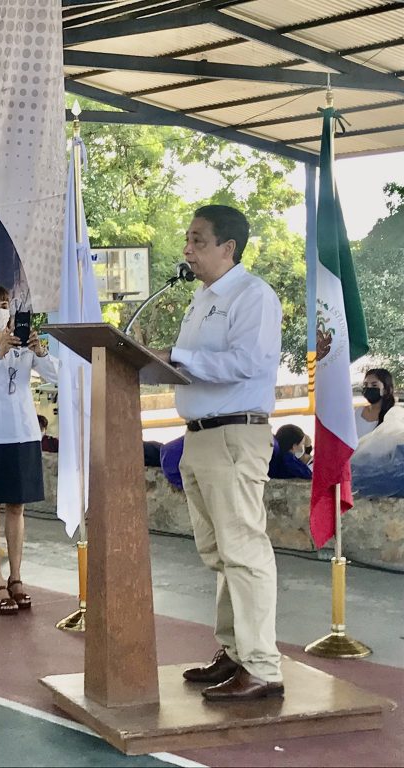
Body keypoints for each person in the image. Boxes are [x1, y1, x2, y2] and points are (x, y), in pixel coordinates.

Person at [152, 204, 284, 702]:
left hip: (234, 435)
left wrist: (178, 356)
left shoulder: (253, 296)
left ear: (229, 248)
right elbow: (198, 366)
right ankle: (234, 651)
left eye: (198, 240)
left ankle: (263, 667)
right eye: (187, 240)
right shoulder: (200, 299)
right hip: (200, 436)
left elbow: (248, 363)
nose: (187, 249)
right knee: (217, 552)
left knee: (243, 549)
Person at [0, 285, 59, 616]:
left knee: (17, 508)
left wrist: (41, 351)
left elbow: (57, 376)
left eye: (4, 305)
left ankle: (17, 576)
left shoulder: (23, 344)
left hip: (23, 432)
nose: (0, 311)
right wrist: (0, 353)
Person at [356, 368, 395, 439]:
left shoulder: (393, 416)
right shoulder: (358, 411)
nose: (368, 388)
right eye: (365, 385)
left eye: (374, 385)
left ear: (386, 390)